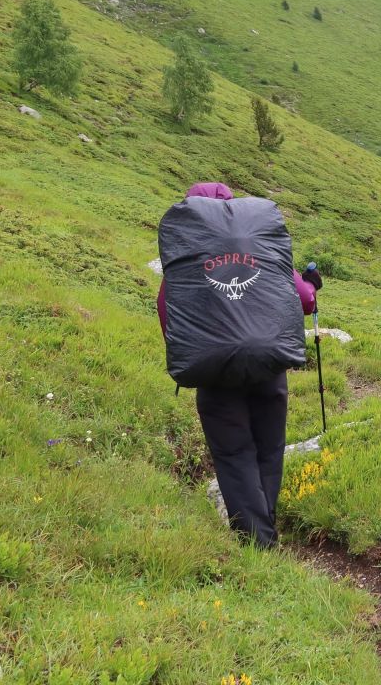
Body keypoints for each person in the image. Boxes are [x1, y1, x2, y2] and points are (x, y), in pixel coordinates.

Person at [157, 182, 321, 548]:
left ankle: (258, 543)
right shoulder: (259, 246)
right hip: (267, 366)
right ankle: (266, 530)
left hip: (214, 373)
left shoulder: (186, 259)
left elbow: (168, 313)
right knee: (268, 447)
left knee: (234, 454)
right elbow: (305, 300)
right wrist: (311, 283)